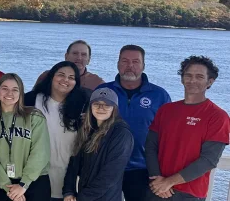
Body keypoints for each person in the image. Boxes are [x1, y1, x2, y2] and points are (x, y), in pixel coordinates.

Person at [145, 56, 229, 201]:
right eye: (188, 75)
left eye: (199, 76)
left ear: (210, 82)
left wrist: (168, 182)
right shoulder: (166, 110)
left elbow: (208, 160)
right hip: (157, 188)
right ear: (182, 78)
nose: (192, 80)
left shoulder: (218, 116)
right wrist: (157, 180)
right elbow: (150, 146)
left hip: (189, 194)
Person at [96, 45, 171, 201]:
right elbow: (88, 128)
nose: (130, 66)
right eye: (125, 61)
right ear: (118, 64)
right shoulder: (103, 91)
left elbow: (169, 136)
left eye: (136, 62)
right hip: (106, 166)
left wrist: (163, 171)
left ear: (143, 65)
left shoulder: (159, 95)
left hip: (143, 170)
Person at [25, 61, 89, 201]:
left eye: (71, 77)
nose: (66, 80)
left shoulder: (83, 105)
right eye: (61, 75)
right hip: (36, 177)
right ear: (51, 77)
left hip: (70, 180)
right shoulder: (31, 100)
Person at [63, 87, 134, 201]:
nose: (101, 108)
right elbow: (74, 164)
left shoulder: (121, 133)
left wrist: (82, 198)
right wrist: (68, 191)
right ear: (90, 107)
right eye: (97, 104)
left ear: (114, 108)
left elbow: (110, 175)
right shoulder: (87, 129)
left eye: (107, 104)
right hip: (81, 194)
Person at [0, 74, 51, 201]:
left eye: (15, 89)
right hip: (3, 184)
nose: (9, 93)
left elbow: (40, 152)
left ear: (21, 93)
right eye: (4, 88)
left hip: (34, 182)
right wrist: (8, 187)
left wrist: (23, 184)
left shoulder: (34, 117)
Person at [35, 40, 105, 92]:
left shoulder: (97, 83)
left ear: (89, 60)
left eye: (83, 54)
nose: (79, 58)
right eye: (75, 53)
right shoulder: (47, 76)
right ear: (66, 56)